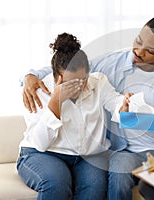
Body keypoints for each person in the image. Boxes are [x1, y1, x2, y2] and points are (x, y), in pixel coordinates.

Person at [20, 16, 154, 200]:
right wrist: (30, 76)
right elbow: (68, 66)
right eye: (138, 41)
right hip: (127, 151)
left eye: (150, 51)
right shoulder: (111, 64)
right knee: (116, 176)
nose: (139, 52)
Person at [17, 32, 131, 200]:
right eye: (71, 82)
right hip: (43, 153)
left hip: (86, 157)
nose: (78, 87)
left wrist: (125, 104)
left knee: (95, 186)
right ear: (57, 77)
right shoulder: (39, 91)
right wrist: (56, 100)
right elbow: (40, 143)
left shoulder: (98, 82)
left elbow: (115, 103)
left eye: (82, 80)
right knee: (57, 183)